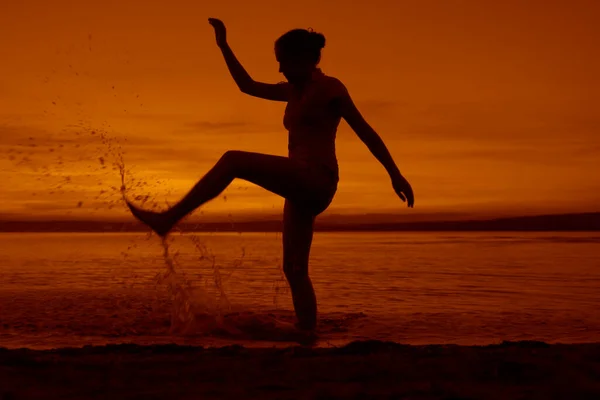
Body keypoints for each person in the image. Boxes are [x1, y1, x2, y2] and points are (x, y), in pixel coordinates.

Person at [126, 18, 414, 332]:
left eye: (283, 62)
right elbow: (246, 86)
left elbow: (366, 131)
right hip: (299, 185)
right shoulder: (292, 90)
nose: (279, 70)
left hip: (317, 178)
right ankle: (307, 332)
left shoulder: (331, 88)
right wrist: (223, 45)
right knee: (293, 268)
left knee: (233, 160)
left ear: (303, 60)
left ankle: (168, 219)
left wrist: (395, 174)